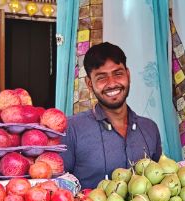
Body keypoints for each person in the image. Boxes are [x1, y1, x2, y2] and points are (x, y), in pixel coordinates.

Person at [61, 42, 163, 190]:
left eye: (118, 74)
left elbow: (158, 185)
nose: (112, 83)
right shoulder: (72, 129)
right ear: (89, 84)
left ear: (128, 75)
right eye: (102, 77)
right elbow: (59, 188)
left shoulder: (150, 128)